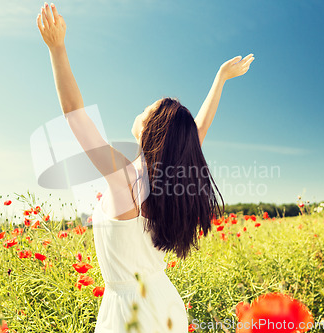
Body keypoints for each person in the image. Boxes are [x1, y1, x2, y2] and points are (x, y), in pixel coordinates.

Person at [37, 3, 255, 332]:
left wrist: (57, 48)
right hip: (163, 302)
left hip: (131, 315)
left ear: (153, 128)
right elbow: (198, 131)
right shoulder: (166, 181)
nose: (140, 110)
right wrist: (220, 78)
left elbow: (74, 114)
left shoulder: (124, 178)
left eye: (147, 109)